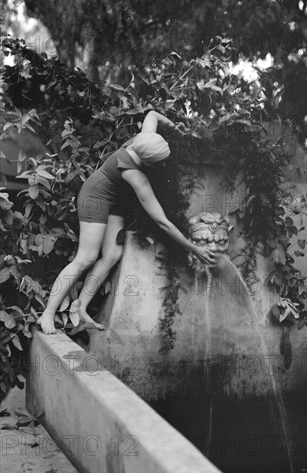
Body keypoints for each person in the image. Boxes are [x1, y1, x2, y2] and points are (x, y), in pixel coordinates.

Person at [36, 111, 216, 334]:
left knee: (112, 254)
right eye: (161, 163)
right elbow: (163, 222)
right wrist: (194, 248)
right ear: (150, 164)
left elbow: (152, 114)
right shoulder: (135, 175)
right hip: (95, 197)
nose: (165, 165)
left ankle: (80, 307)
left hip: (115, 201)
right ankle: (47, 314)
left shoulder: (145, 138)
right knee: (86, 257)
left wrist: (177, 130)